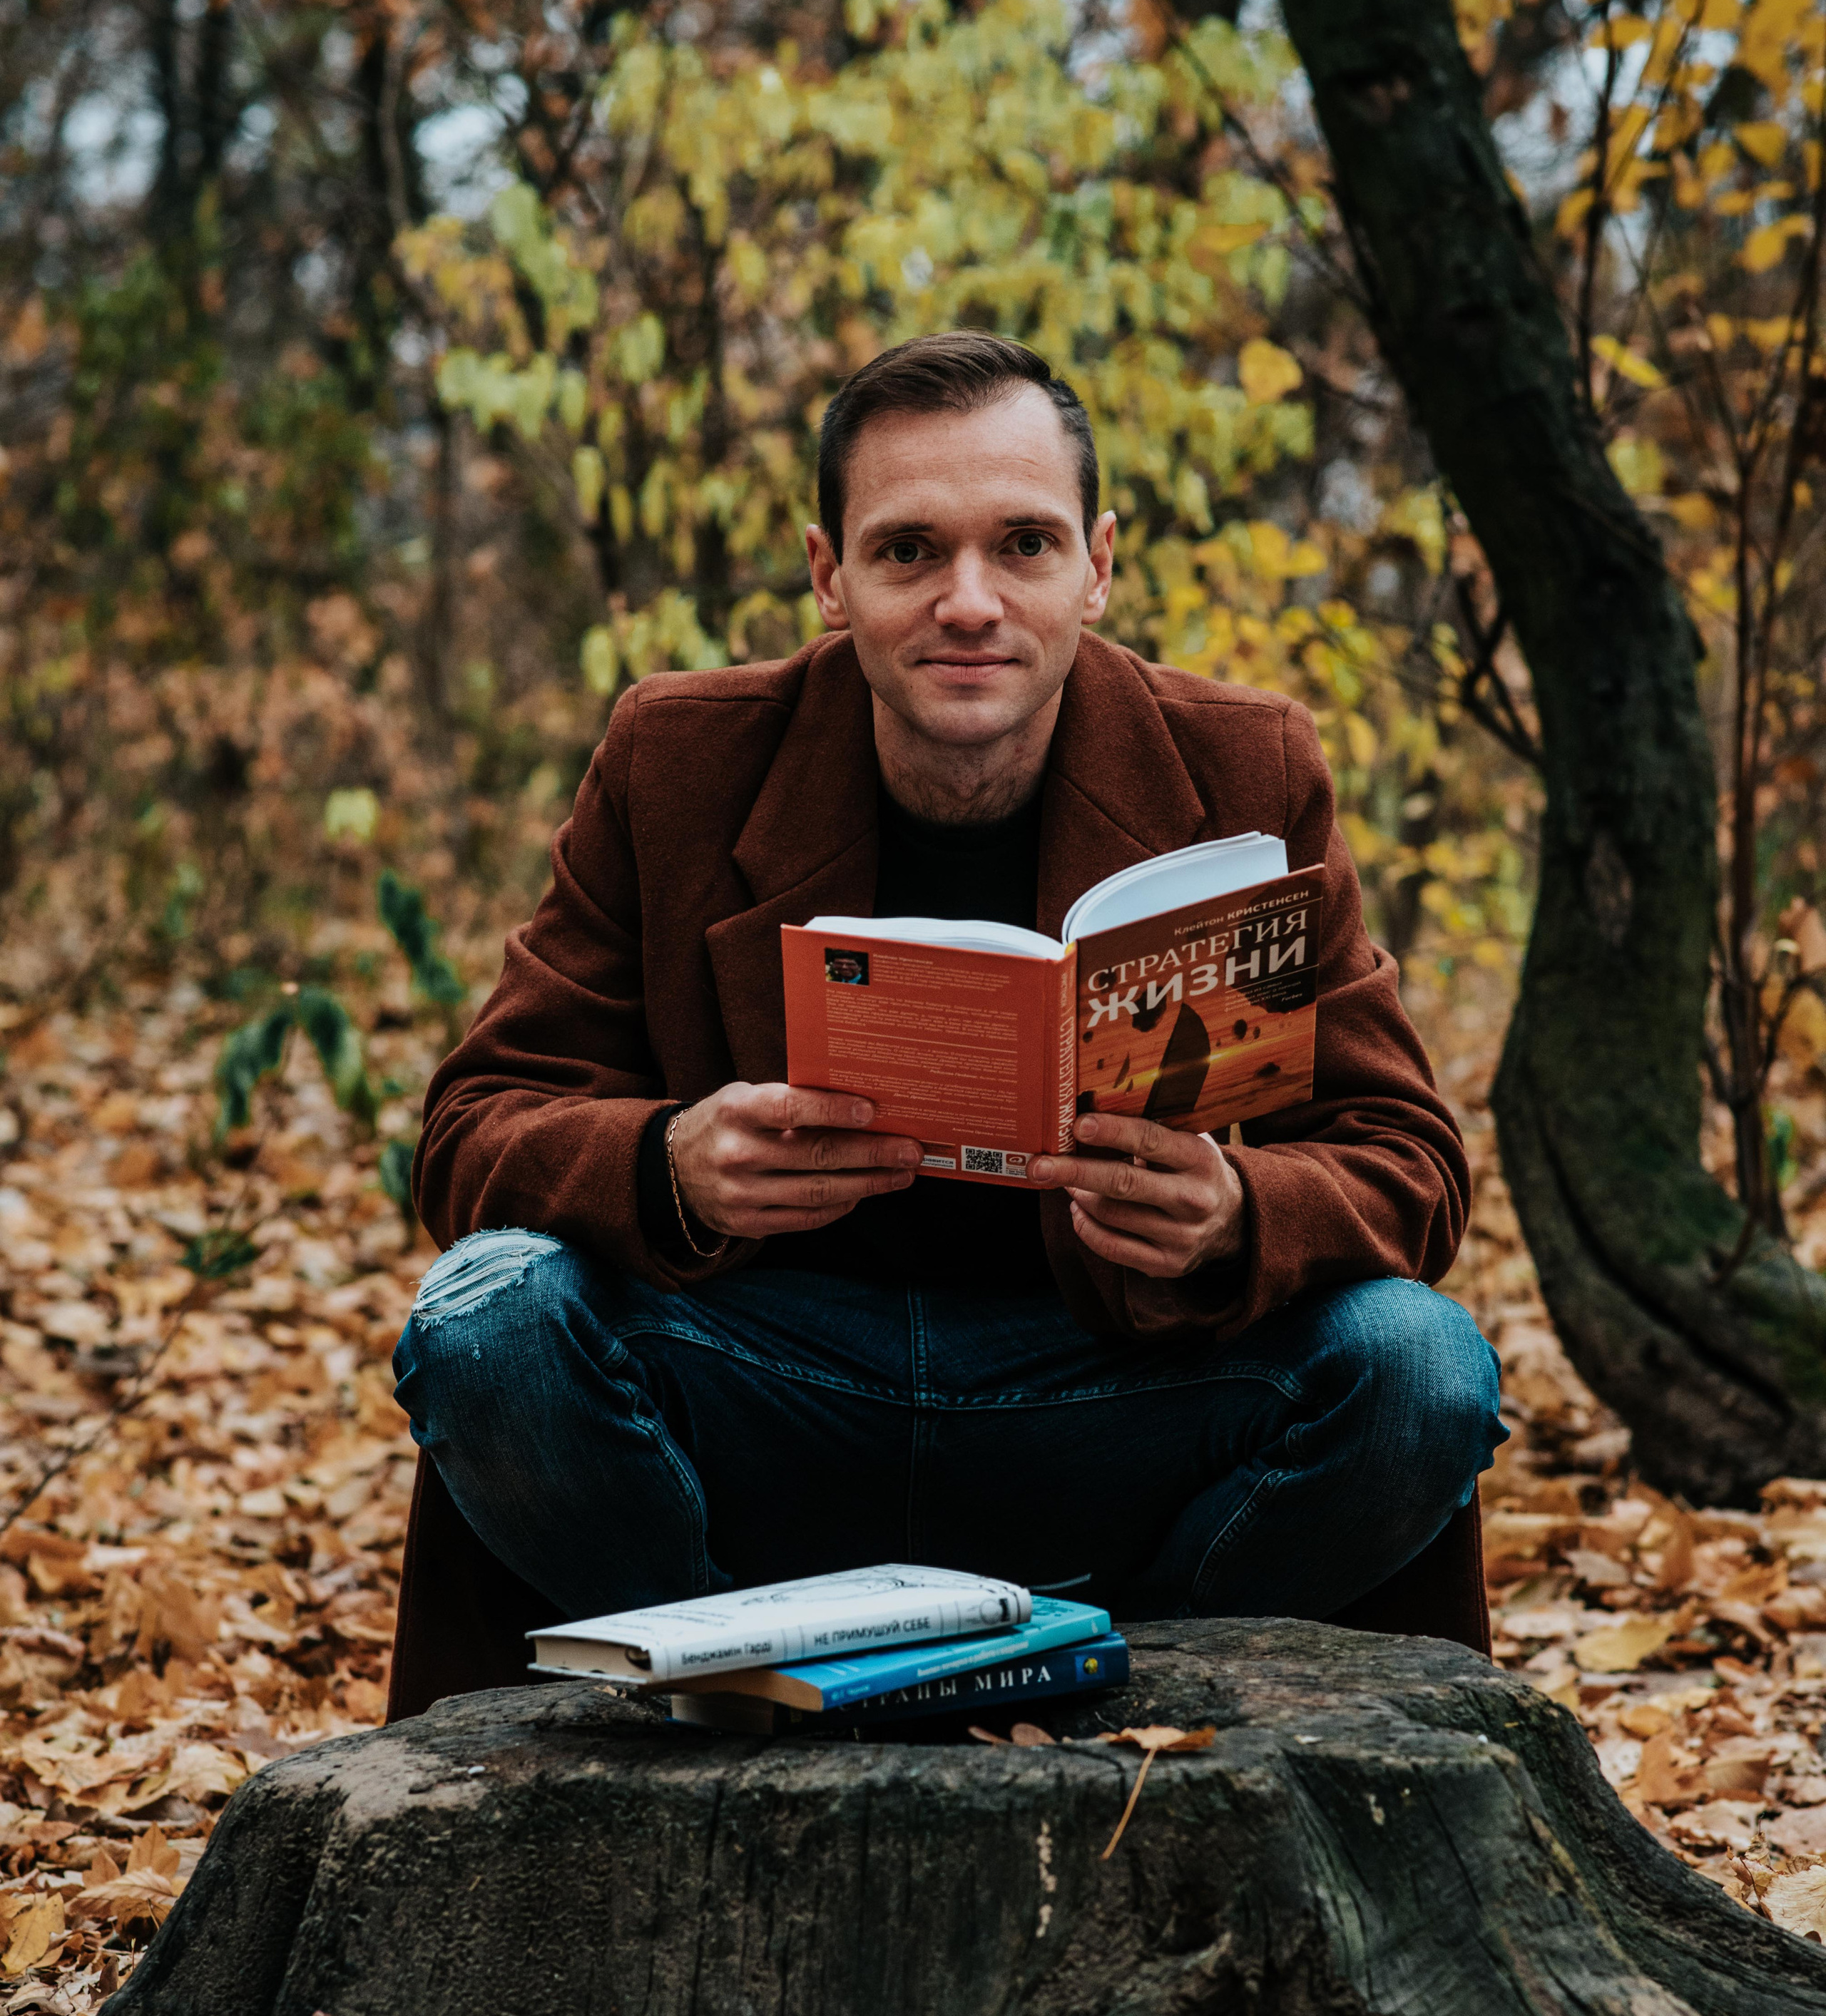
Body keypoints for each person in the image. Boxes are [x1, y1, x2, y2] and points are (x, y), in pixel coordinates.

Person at [387, 332, 1501, 1719]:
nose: (966, 602)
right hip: (756, 1383)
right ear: (826, 573)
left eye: (1020, 546)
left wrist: (1234, 1213)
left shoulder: (1239, 765)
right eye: (909, 551)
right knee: (486, 1320)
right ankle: (720, 1680)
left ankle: (1136, 1686)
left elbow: (1409, 1159)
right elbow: (470, 1128)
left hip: (1117, 1393)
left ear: (1096, 566)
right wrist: (669, 1164)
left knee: (1418, 1366)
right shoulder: (676, 759)